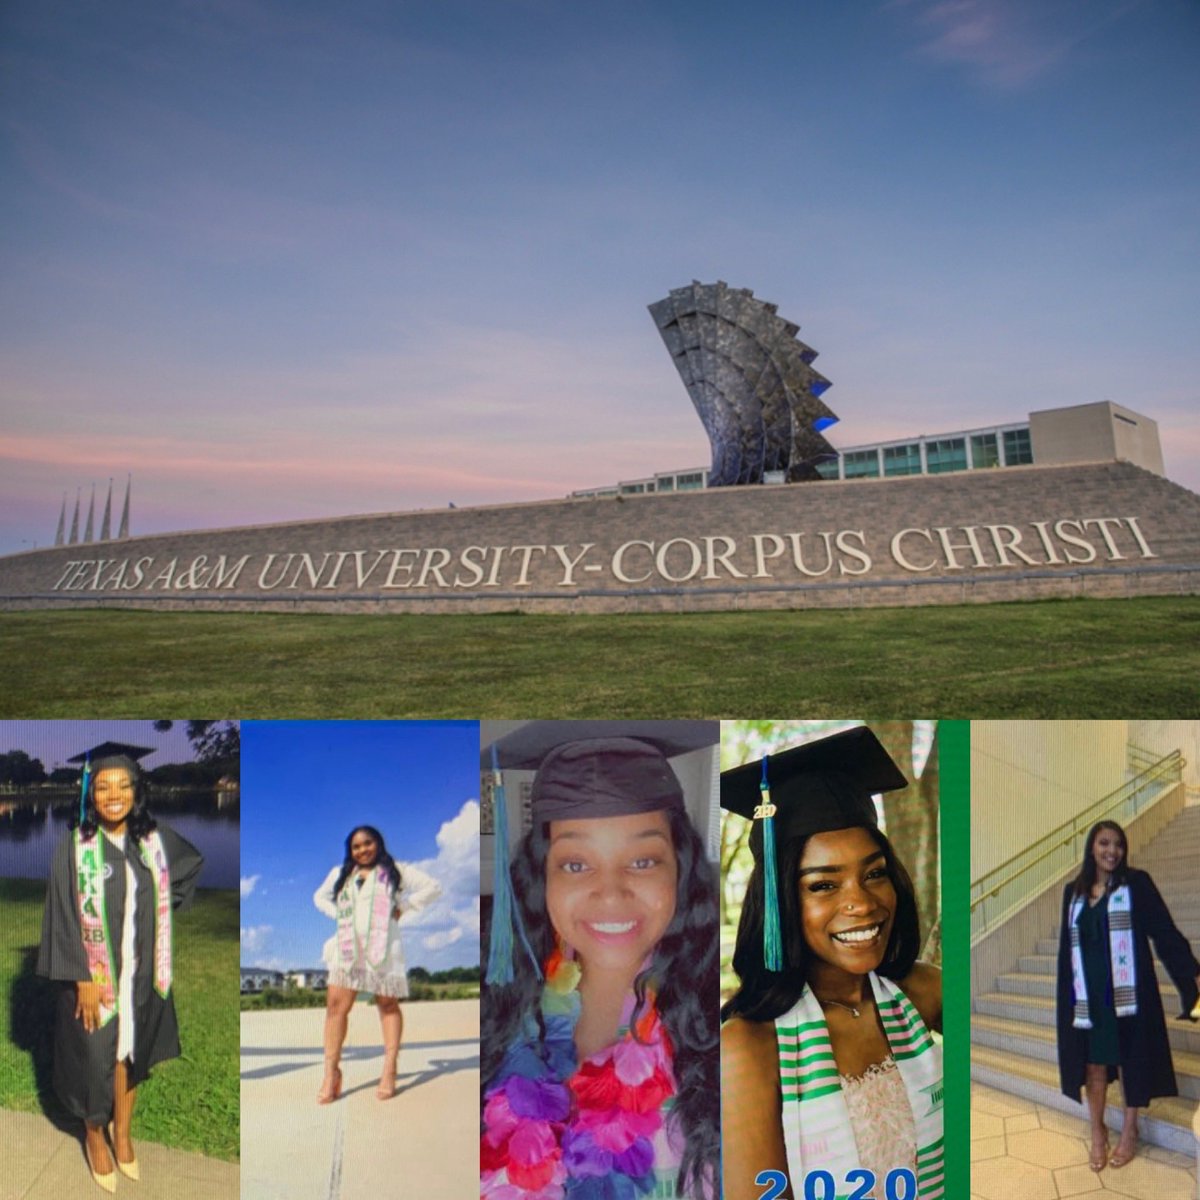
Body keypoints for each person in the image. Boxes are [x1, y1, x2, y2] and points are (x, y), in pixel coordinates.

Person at [479, 721, 721, 1200]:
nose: (610, 891)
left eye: (643, 860)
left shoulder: (719, 1023)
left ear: (681, 869)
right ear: (541, 878)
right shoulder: (491, 1011)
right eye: (575, 864)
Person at [720, 726, 943, 1200]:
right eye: (823, 884)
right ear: (780, 901)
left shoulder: (924, 993)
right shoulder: (750, 1047)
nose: (861, 903)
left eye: (874, 874)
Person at [37, 749, 204, 1192]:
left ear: (136, 791)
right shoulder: (74, 846)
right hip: (95, 978)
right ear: (91, 796)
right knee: (94, 1060)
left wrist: (162, 910)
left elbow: (188, 869)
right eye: (104, 787)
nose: (115, 795)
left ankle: (123, 1132)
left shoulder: (151, 839)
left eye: (124, 786)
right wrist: (82, 977)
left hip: (141, 975)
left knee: (131, 1054)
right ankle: (95, 1133)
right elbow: (62, 915)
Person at [1055, 819, 1200, 1171]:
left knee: (1128, 1059)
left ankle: (1129, 1130)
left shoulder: (1136, 884)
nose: (1112, 851)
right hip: (1087, 999)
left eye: (1118, 844)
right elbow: (1066, 951)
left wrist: (1193, 972)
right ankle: (1098, 1131)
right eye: (1105, 843)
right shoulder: (1073, 892)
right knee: (1093, 1066)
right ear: (1092, 847)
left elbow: (1164, 931)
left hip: (1127, 995)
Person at [312, 824, 441, 1103]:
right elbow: (319, 897)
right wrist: (339, 914)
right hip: (348, 950)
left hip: (383, 948)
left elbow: (433, 887)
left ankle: (389, 1068)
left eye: (367, 843)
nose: (362, 850)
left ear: (378, 843)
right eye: (356, 846)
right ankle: (331, 1072)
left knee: (387, 1004)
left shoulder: (396, 871)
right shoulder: (341, 874)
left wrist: (403, 907)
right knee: (336, 1008)